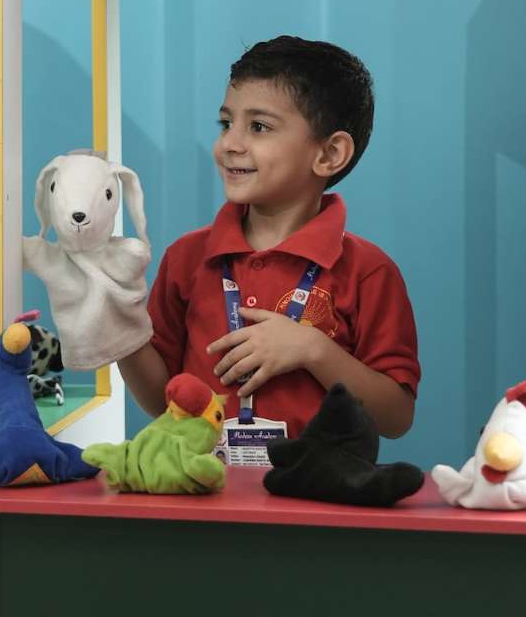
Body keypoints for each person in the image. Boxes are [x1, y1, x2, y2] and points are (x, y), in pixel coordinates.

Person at [120, 36, 419, 440]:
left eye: (258, 127)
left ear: (329, 154)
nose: (230, 144)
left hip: (320, 483)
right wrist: (120, 332)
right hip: (202, 478)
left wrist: (313, 350)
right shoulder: (186, 257)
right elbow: (163, 400)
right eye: (226, 124)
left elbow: (395, 418)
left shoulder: (370, 271)